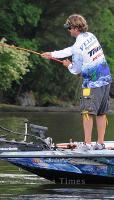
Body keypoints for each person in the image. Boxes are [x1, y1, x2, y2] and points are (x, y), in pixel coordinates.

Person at [41, 14, 112, 150]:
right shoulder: (90, 36)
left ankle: (87, 144)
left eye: (69, 27)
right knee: (101, 113)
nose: (68, 30)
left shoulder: (78, 47)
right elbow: (71, 49)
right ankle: (100, 143)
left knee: (87, 112)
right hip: (106, 79)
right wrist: (52, 54)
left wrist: (68, 65)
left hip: (92, 84)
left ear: (74, 28)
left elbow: (76, 69)